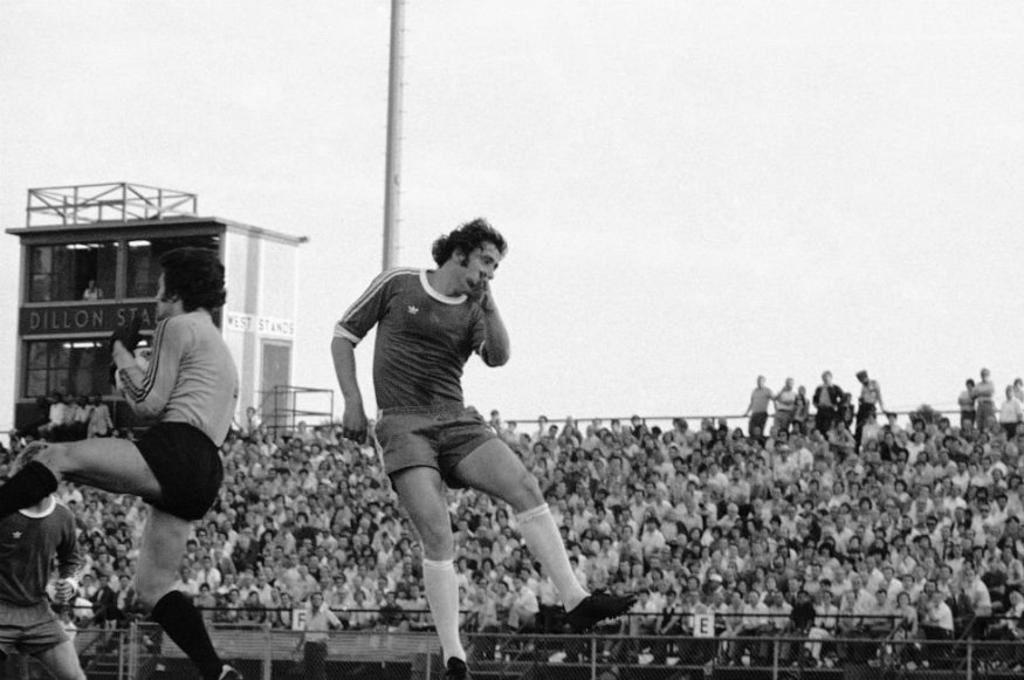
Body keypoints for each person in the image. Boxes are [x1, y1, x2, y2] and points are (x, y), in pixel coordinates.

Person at [331, 219, 635, 680]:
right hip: (403, 422)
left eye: (496, 268)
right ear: (460, 254)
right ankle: (455, 657)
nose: (490, 273)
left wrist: (489, 304)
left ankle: (576, 598)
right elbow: (342, 335)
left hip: (455, 419)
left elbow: (498, 356)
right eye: (486, 263)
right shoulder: (399, 283)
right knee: (438, 532)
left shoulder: (474, 308)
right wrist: (352, 400)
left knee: (525, 485)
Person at [0, 247, 243, 680]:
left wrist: (119, 354)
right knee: (153, 588)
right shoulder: (216, 344)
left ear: (176, 290)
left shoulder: (176, 324)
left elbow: (148, 404)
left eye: (160, 287)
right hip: (206, 467)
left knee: (55, 456)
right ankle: (216, 671)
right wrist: (125, 361)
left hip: (176, 448)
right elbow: (151, 395)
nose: (155, 297)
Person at [0, 485, 86, 680]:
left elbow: (72, 560)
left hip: (38, 612)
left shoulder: (63, 516)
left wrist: (70, 582)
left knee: (75, 677)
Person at [854, 370, 883, 450]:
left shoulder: (874, 383)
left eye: (862, 379)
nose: (861, 381)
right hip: (863, 406)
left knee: (871, 424)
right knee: (859, 427)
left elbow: (879, 395)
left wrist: (882, 407)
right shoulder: (863, 386)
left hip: (870, 405)